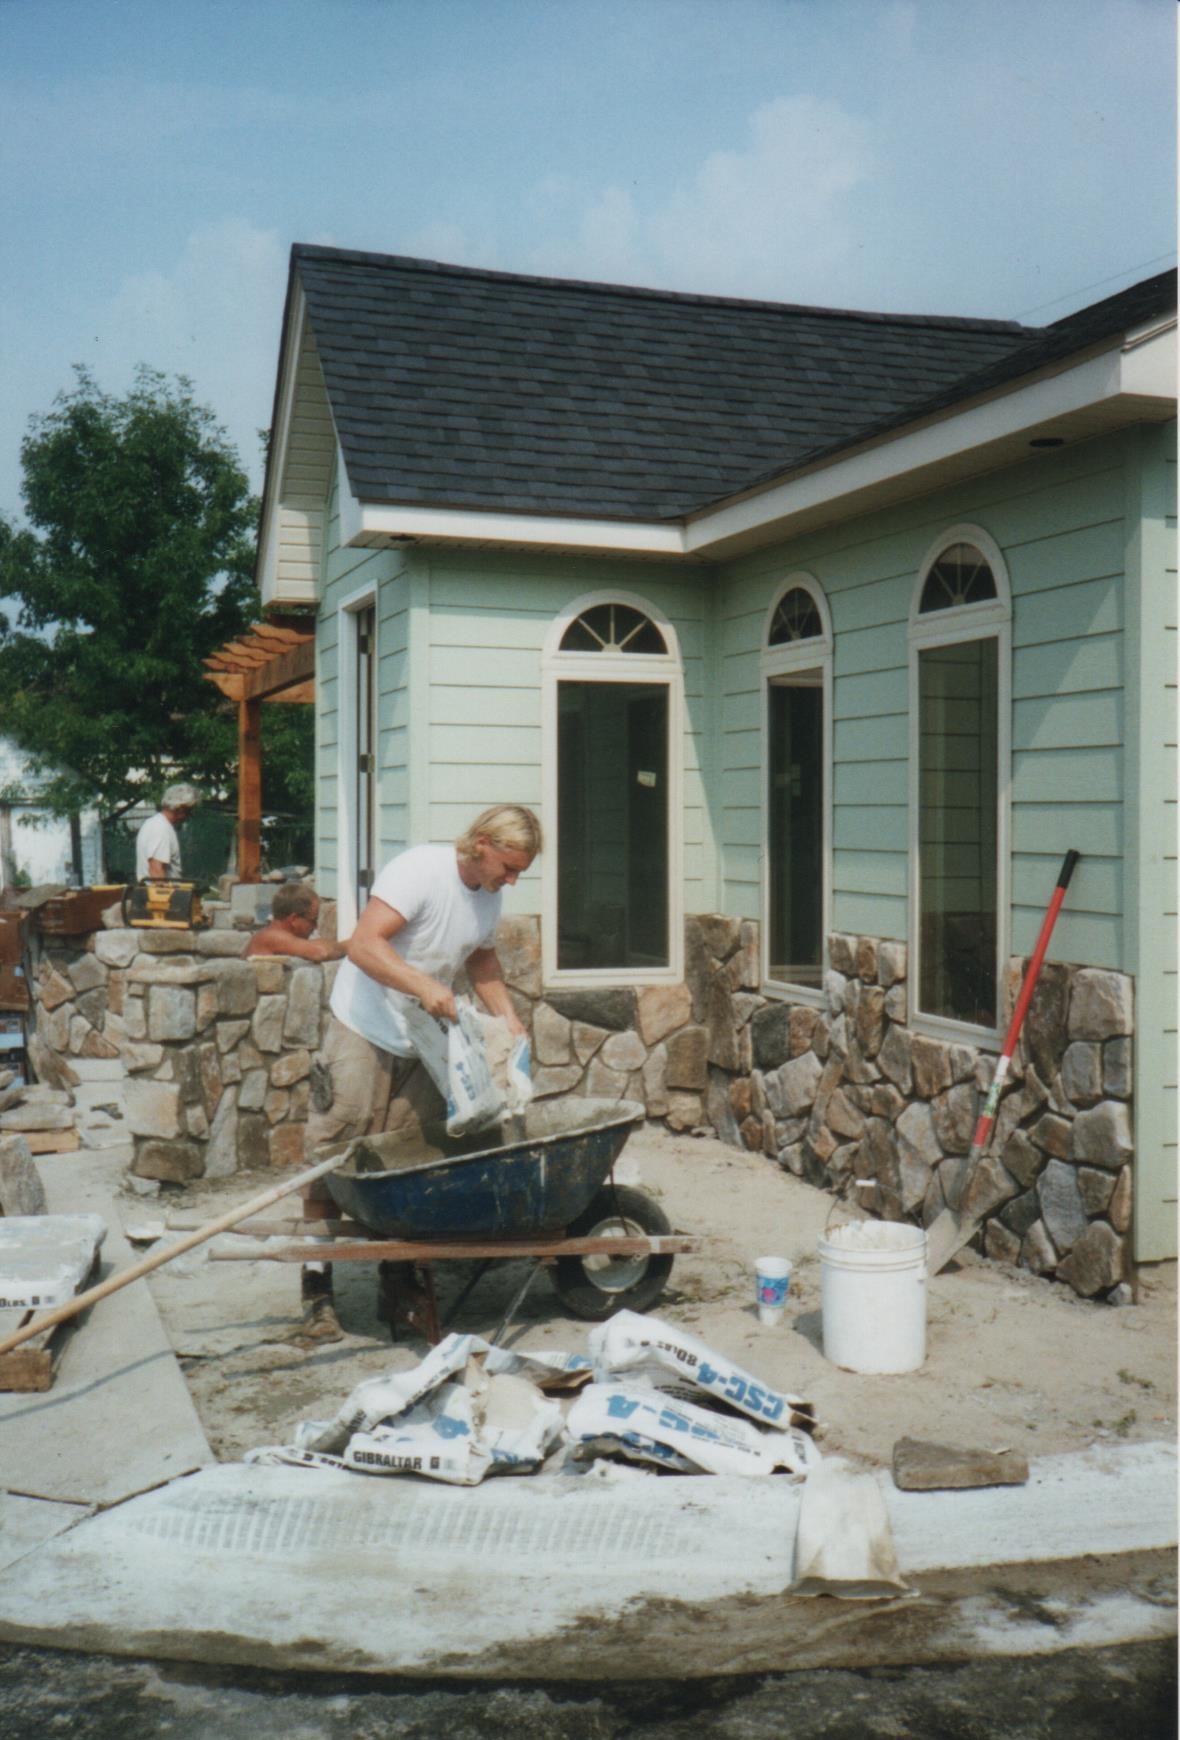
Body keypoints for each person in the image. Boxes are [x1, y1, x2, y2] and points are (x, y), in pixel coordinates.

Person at [299, 803, 543, 1337]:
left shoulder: (489, 897)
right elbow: (364, 945)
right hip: (364, 1026)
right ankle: (317, 1283)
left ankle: (399, 1280)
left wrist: (509, 1018)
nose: (512, 880)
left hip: (423, 1040)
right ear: (482, 844)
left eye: (520, 871)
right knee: (333, 1147)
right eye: (509, 867)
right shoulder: (420, 871)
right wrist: (425, 984)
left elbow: (481, 960)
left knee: (411, 1157)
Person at [244, 882, 347, 962]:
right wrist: (349, 945)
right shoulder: (273, 936)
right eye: (313, 920)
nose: (315, 926)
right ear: (294, 919)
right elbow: (321, 952)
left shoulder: (269, 935)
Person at [135, 784, 199, 881]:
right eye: (188, 811)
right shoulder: (161, 829)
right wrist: (163, 890)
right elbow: (156, 871)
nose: (188, 816)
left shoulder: (154, 823)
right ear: (180, 809)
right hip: (159, 890)